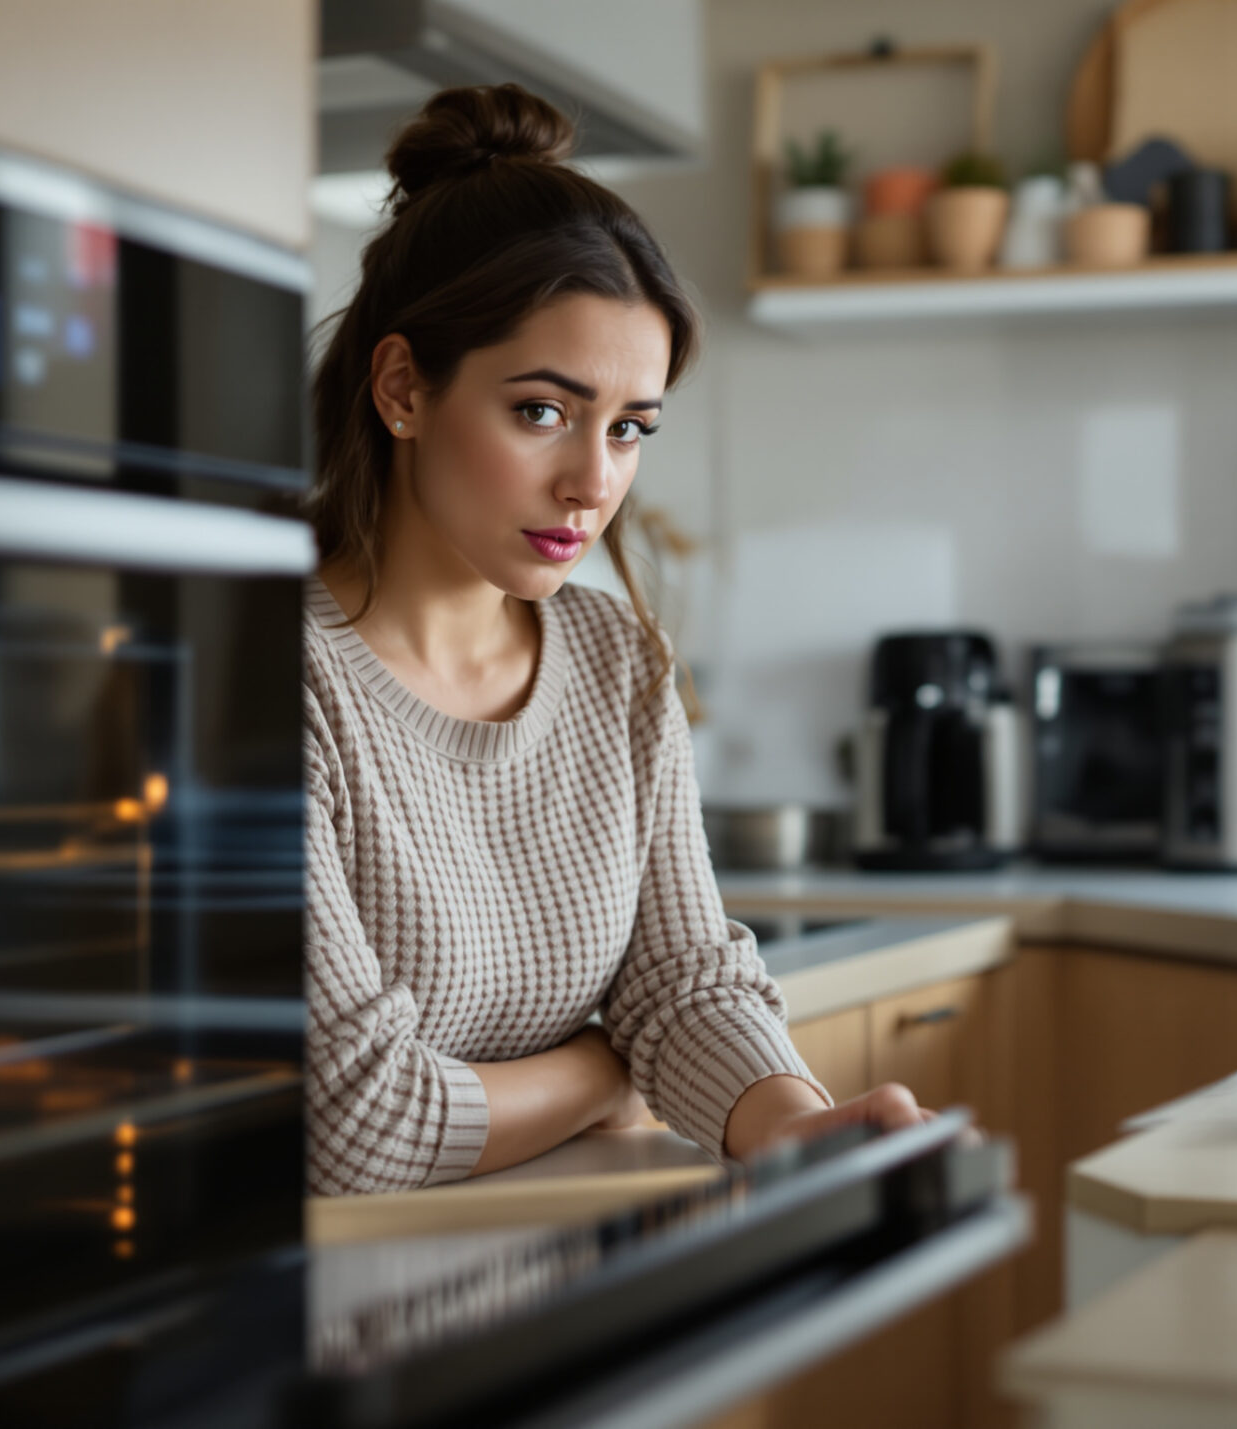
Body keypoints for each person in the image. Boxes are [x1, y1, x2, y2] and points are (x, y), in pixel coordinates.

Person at [303, 84, 937, 1196]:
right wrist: (605, 1069)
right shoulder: (275, 682)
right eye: (540, 411)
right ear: (403, 387)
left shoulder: (614, 661)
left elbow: (683, 983)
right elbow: (356, 1123)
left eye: (629, 427)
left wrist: (791, 1126)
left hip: (569, 1261)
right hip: (329, 1319)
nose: (594, 482)